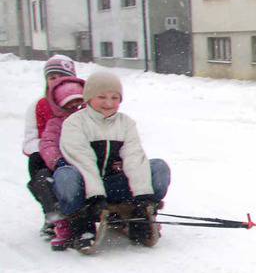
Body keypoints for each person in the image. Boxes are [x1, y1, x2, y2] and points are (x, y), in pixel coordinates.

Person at [54, 71, 171, 247]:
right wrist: (95, 197)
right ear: (88, 97)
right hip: (86, 189)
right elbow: (83, 161)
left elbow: (134, 158)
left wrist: (142, 196)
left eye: (114, 97)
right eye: (101, 97)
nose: (108, 103)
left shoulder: (126, 124)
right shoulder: (75, 123)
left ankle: (140, 217)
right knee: (65, 176)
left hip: (115, 185)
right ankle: (81, 223)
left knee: (158, 167)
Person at [23, 54, 78, 237]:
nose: (56, 81)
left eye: (61, 77)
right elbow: (30, 140)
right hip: (50, 154)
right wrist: (52, 152)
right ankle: (54, 214)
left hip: (79, 151)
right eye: (52, 78)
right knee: (38, 167)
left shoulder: (80, 103)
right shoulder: (38, 106)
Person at [37, 75, 87, 250]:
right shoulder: (56, 124)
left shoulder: (90, 121)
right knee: (50, 180)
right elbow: (48, 144)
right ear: (59, 106)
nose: (75, 108)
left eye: (79, 103)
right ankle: (65, 221)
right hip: (66, 167)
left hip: (91, 167)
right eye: (69, 105)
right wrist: (57, 161)